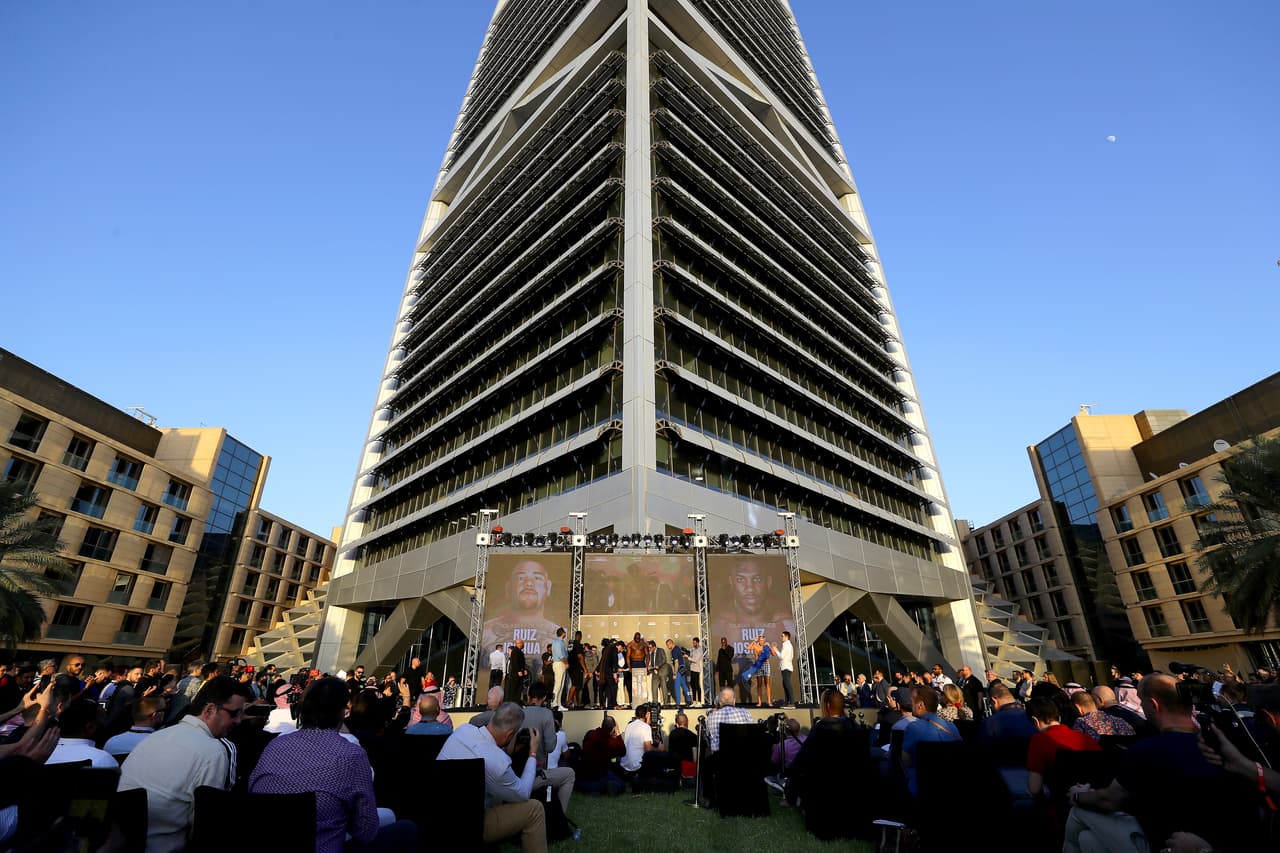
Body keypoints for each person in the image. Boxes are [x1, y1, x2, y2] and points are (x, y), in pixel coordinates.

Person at [1064, 673, 1257, 853]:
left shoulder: (1146, 750)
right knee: (1087, 839)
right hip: (1223, 839)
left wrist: (1079, 797)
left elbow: (1110, 800)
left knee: (1077, 815)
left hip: (1167, 843)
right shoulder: (1225, 744)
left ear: (1153, 705)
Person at [250, 677, 417, 850]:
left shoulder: (274, 746)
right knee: (407, 829)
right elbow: (366, 832)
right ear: (342, 712)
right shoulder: (352, 754)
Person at [119, 676, 252, 853]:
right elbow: (205, 827)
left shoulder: (159, 735)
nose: (238, 720)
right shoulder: (213, 751)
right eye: (234, 713)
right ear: (210, 710)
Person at [437, 701, 547, 853]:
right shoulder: (499, 763)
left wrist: (506, 751)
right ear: (510, 734)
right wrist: (532, 754)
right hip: (467, 827)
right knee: (535, 809)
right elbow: (523, 793)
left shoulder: (463, 730)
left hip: (436, 816)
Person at [710, 558, 796, 651]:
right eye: (740, 579)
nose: (750, 588)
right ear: (731, 582)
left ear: (768, 582)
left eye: (757, 579)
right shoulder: (720, 625)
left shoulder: (785, 624)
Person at [481, 560, 560, 651]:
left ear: (548, 588)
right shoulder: (486, 633)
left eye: (537, 578)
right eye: (521, 578)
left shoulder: (558, 635)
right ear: (508, 588)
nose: (529, 583)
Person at [900, 686, 961, 797]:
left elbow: (906, 761)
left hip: (922, 789)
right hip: (953, 786)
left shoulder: (913, 728)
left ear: (920, 705)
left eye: (912, 702)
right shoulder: (952, 727)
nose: (911, 705)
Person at [46, 699, 115, 769]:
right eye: (103, 719)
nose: (105, 724)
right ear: (90, 727)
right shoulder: (101, 758)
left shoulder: (42, 755)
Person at [103, 696, 166, 761]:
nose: (165, 713)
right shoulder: (160, 743)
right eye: (164, 710)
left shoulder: (111, 742)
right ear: (154, 715)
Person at [578, 716, 626, 795]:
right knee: (621, 784)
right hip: (600, 773)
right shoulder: (610, 742)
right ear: (613, 728)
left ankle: (591, 788)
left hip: (585, 772)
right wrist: (618, 733)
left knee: (585, 784)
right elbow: (622, 751)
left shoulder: (592, 734)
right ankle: (604, 787)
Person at [705, 687, 752, 753]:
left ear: (720, 703)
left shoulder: (711, 717)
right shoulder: (745, 713)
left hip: (718, 759)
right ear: (734, 701)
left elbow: (708, 736)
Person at [621, 704, 657, 775]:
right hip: (637, 766)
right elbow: (648, 748)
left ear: (635, 714)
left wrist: (647, 723)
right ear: (647, 714)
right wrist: (659, 749)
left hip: (625, 764)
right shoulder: (646, 727)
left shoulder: (629, 725)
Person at [626, 633, 649, 705]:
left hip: (641, 662)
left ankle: (643, 700)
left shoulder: (644, 644)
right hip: (634, 663)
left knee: (642, 683)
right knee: (634, 683)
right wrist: (629, 667)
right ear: (634, 637)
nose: (637, 640)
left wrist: (647, 666)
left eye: (638, 638)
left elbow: (647, 655)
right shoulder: (630, 644)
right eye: (636, 638)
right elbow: (628, 656)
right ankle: (635, 701)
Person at [667, 640, 692, 706]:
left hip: (679, 669)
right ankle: (689, 700)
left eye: (667, 645)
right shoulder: (678, 648)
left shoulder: (674, 650)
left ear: (670, 643)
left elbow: (676, 662)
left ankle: (678, 703)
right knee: (684, 685)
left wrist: (675, 673)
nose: (667, 647)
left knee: (676, 686)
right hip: (683, 668)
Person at [550, 627, 569, 710]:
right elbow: (560, 655)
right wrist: (566, 663)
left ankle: (559, 703)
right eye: (564, 632)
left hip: (561, 664)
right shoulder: (558, 643)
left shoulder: (560, 642)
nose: (565, 634)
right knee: (558, 685)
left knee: (561, 685)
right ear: (562, 633)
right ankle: (554, 703)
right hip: (559, 664)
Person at [505, 639, 529, 705]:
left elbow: (521, 662)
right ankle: (513, 702)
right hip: (515, 674)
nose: (523, 645)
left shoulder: (519, 651)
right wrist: (518, 671)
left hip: (520, 672)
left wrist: (524, 670)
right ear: (519, 644)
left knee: (519, 688)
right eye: (522, 643)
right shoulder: (515, 651)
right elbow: (515, 662)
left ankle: (516, 702)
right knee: (515, 688)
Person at [775, 631, 795, 706]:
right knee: (785, 684)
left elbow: (781, 656)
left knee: (787, 684)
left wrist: (776, 650)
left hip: (786, 667)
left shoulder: (787, 645)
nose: (781, 637)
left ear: (786, 637)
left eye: (782, 636)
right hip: (786, 666)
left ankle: (792, 702)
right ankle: (787, 702)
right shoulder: (787, 645)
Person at [687, 638, 704, 705]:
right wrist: (687, 653)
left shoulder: (700, 650)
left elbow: (695, 660)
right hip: (692, 669)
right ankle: (694, 701)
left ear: (697, 643)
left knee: (697, 686)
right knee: (693, 686)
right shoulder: (693, 649)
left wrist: (687, 658)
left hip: (696, 670)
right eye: (693, 643)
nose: (693, 644)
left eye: (694, 643)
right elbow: (691, 655)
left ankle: (699, 701)